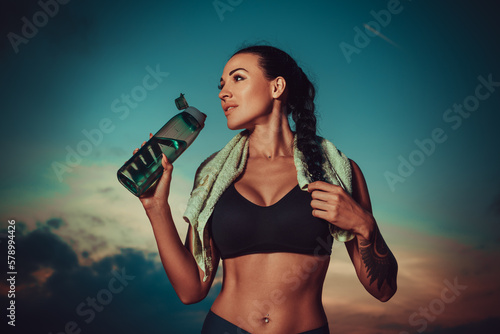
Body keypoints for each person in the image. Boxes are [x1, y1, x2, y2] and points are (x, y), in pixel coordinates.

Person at [134, 45, 398, 334]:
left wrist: (364, 225)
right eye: (221, 85)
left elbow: (383, 291)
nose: (223, 93)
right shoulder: (213, 177)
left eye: (237, 78)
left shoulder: (335, 170)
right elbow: (191, 289)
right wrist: (155, 206)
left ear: (277, 86)